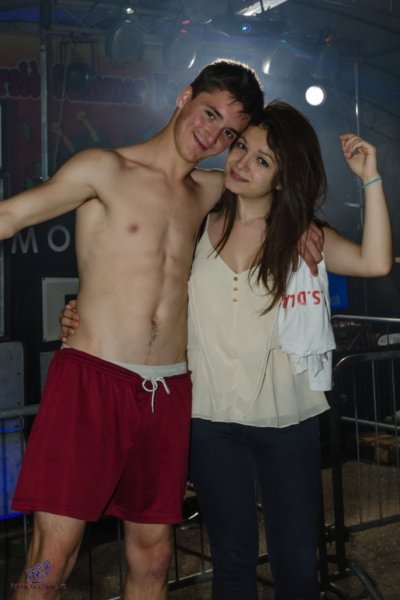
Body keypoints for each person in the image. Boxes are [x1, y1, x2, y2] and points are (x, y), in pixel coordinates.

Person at [61, 101, 392, 600]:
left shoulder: (303, 236)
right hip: (210, 421)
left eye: (262, 160)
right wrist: (79, 310)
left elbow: (375, 262)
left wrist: (370, 178)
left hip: (287, 420)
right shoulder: (196, 222)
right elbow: (139, 286)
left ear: (282, 177)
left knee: (297, 564)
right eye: (241, 147)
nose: (241, 162)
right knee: (232, 562)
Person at [1, 59, 267, 600]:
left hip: (166, 392)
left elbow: (279, 188)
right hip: (92, 382)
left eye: (228, 132)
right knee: (51, 559)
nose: (212, 135)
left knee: (154, 555)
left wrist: (310, 229)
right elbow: (10, 217)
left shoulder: (211, 189)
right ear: (184, 96)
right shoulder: (104, 168)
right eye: (209, 113)